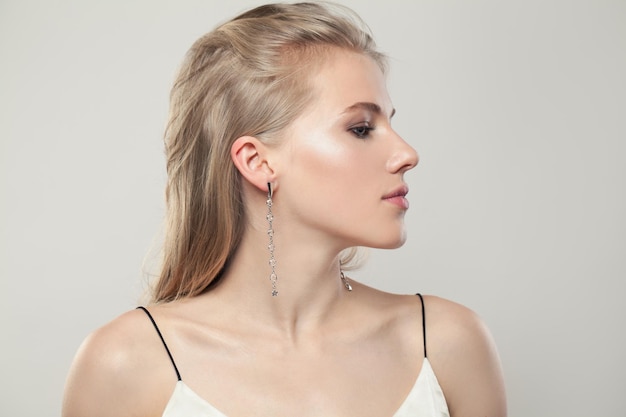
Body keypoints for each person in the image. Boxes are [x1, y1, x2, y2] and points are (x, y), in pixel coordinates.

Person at [62, 2, 507, 416]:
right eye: (360, 128)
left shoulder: (448, 344)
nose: (408, 153)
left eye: (390, 122)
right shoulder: (127, 364)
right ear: (258, 162)